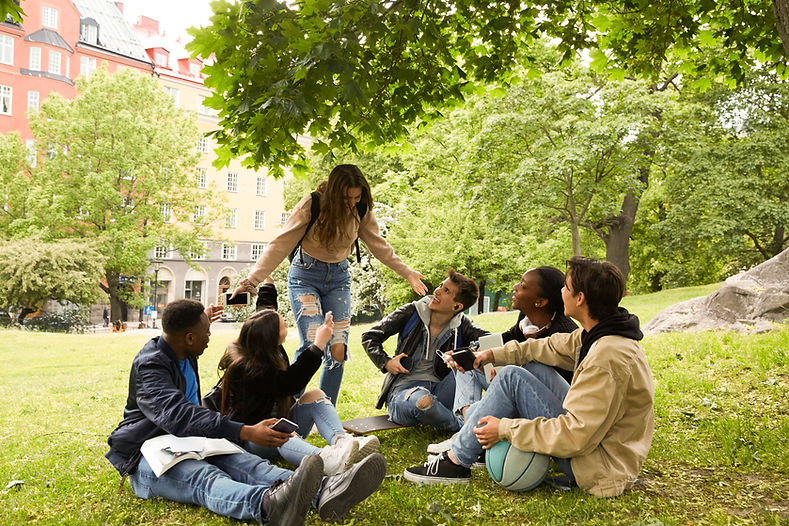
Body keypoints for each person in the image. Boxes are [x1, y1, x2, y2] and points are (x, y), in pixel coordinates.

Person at [105, 299, 387, 526]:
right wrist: (243, 430)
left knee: (251, 466)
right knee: (206, 478)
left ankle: (326, 490)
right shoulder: (151, 365)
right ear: (188, 338)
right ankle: (267, 505)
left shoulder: (181, 347)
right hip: (147, 455)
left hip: (189, 441)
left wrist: (201, 316)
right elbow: (178, 415)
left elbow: (182, 327)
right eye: (205, 334)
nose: (209, 338)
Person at [404, 257, 655, 498]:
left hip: (601, 467)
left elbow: (574, 436)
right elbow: (544, 347)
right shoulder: (601, 334)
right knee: (533, 366)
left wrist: (504, 429)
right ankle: (472, 441)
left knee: (512, 377)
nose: (561, 293)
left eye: (566, 288)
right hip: (599, 447)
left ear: (580, 298)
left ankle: (456, 462)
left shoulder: (606, 357)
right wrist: (490, 354)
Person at [232, 164, 428, 405]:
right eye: (347, 198)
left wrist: (406, 272)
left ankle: (327, 412)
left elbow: (378, 245)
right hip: (305, 276)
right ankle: (286, 407)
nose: (352, 202)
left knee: (338, 350)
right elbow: (281, 243)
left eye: (357, 197)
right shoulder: (312, 205)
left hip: (338, 278)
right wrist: (252, 280)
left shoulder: (361, 210)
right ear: (335, 192)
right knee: (313, 341)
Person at [427, 266, 578, 454]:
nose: (515, 287)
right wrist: (475, 354)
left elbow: (541, 381)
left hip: (542, 406)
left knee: (504, 376)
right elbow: (508, 338)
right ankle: (468, 429)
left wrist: (503, 365)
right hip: (514, 386)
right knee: (468, 363)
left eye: (522, 286)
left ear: (540, 301)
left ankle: (471, 433)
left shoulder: (564, 333)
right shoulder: (527, 319)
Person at [216, 306, 380, 476]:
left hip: (282, 423)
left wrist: (268, 284)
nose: (287, 324)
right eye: (283, 325)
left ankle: (344, 444)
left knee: (315, 395)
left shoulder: (264, 349)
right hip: (254, 440)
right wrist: (318, 345)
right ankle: (326, 460)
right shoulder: (248, 369)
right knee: (279, 430)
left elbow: (264, 312)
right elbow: (290, 383)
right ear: (270, 336)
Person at [362, 269, 489, 432]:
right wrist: (386, 362)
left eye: (446, 291)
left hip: (442, 390)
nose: (437, 291)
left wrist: (468, 352)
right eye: (441, 286)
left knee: (475, 366)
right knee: (423, 401)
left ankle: (507, 406)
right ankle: (465, 428)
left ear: (457, 306)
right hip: (404, 391)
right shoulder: (411, 312)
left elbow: (489, 340)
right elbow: (369, 336)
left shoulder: (462, 324)